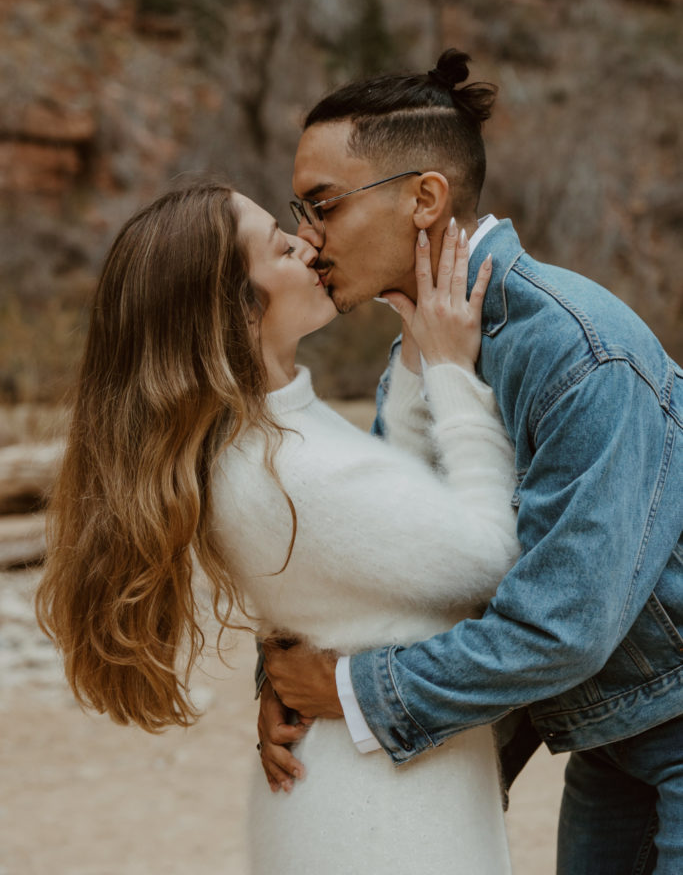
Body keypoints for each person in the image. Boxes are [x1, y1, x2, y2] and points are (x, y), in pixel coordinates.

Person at [259, 49, 683, 875]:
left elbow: (562, 624)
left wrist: (347, 690)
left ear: (425, 198)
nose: (307, 241)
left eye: (323, 206)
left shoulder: (577, 353)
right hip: (607, 731)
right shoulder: (421, 358)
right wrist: (285, 679)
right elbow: (400, 560)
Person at [36, 180, 523, 874]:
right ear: (235, 311)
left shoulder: (263, 436)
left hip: (364, 794)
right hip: (380, 823)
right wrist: (452, 373)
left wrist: (418, 357)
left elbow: (398, 514)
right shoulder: (292, 472)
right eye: (279, 245)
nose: (307, 243)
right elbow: (489, 556)